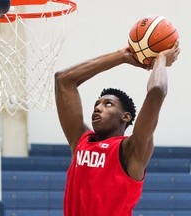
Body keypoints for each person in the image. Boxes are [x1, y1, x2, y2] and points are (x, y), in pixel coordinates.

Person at [54, 41, 180, 216]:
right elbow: (63, 80)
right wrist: (121, 56)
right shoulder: (81, 140)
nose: (98, 108)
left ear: (125, 117)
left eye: (108, 104)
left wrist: (160, 59)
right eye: (97, 104)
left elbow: (157, 90)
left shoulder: (131, 150)